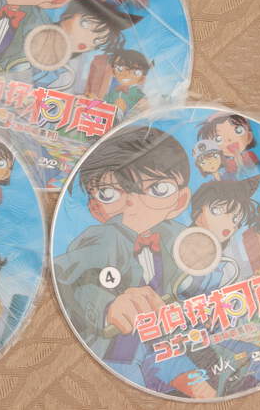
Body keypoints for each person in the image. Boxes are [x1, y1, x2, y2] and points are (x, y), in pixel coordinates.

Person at [54, 126, 216, 399]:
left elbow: (202, 269)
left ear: (179, 201)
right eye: (109, 193)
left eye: (157, 188)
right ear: (95, 207)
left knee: (207, 387)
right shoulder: (103, 238)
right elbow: (71, 278)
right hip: (121, 353)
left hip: (169, 343)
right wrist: (108, 307)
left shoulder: (178, 235)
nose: (133, 203)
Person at [197, 113, 260, 180]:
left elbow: (255, 171)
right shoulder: (226, 165)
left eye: (238, 131)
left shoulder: (250, 157)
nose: (229, 139)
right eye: (218, 139)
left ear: (249, 137)